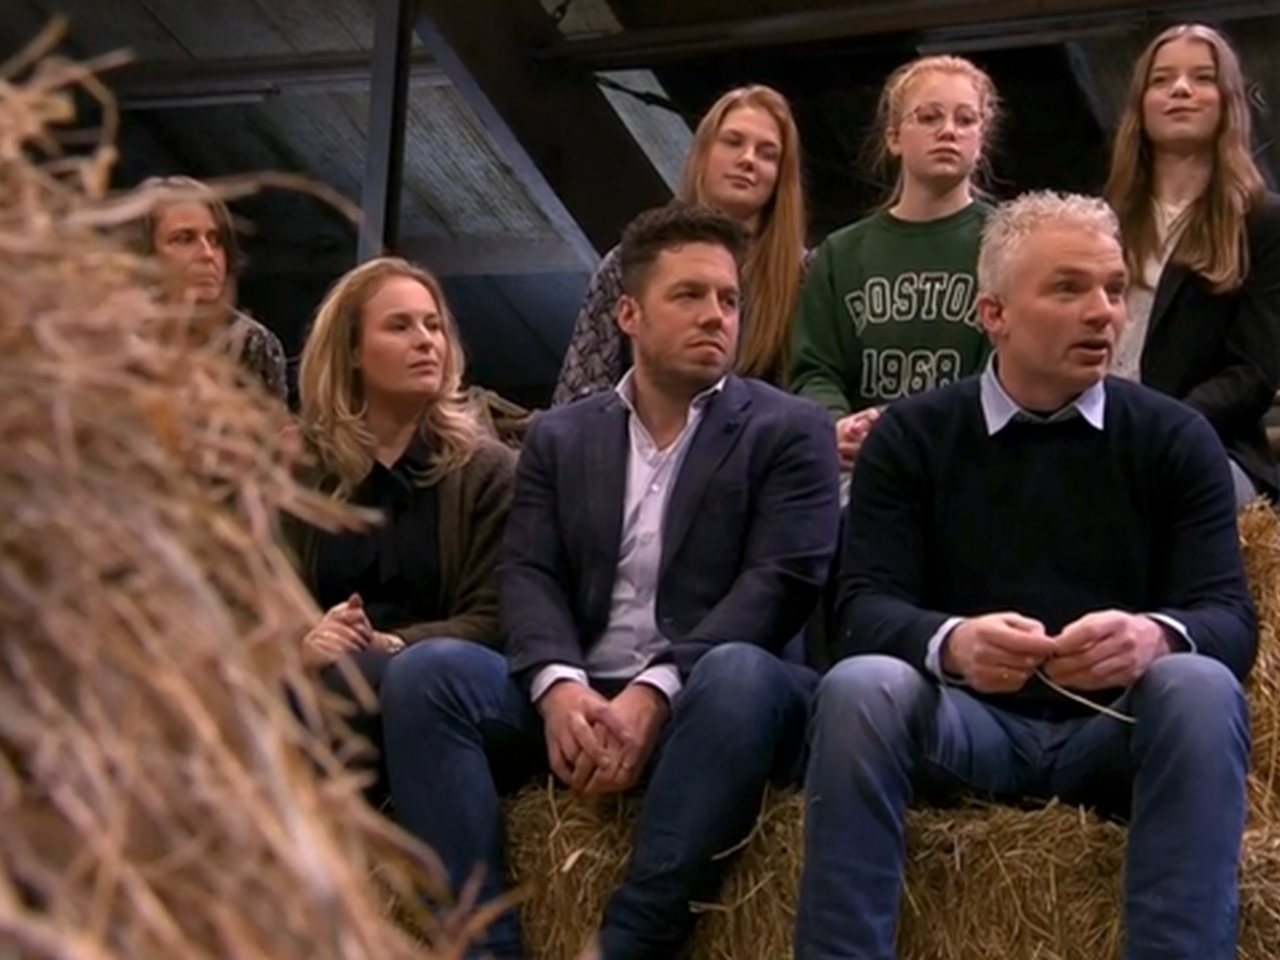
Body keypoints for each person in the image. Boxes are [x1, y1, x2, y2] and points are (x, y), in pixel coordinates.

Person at [794, 192, 1257, 960]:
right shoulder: (913, 436)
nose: (1103, 312)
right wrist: (953, 643)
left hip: (1115, 732)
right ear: (995, 315)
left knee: (1200, 685)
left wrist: (1154, 639)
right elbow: (860, 612)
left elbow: (1230, 620)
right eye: (1069, 288)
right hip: (964, 727)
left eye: (1114, 288)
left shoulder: (1176, 438)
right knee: (859, 686)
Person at [379, 202, 840, 959]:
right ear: (628, 314)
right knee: (425, 676)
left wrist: (654, 692)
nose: (716, 316)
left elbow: (781, 582)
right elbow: (528, 572)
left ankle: (626, 944)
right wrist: (559, 688)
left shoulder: (789, 430)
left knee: (738, 673)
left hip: (715, 705)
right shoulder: (561, 434)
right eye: (689, 295)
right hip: (585, 692)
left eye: (728, 299)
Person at [284, 257, 515, 793]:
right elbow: (255, 600)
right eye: (400, 326)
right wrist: (306, 642)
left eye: (433, 326)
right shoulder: (299, 471)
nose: (426, 341)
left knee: (345, 685)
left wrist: (391, 642)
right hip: (322, 671)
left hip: (440, 680)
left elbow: (495, 617)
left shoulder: (488, 471)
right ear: (351, 351)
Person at [790, 55, 998, 473]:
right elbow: (814, 368)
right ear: (894, 137)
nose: (948, 131)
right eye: (929, 117)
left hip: (967, 464)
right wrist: (836, 423)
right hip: (863, 469)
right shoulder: (842, 253)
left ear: (981, 141)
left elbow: (1013, 368)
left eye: (965, 120)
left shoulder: (1010, 244)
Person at [1105, 23, 1280, 506]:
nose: (1180, 89)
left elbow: (1254, 372)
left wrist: (1162, 426)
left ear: (1228, 102)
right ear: (1141, 103)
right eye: (1161, 80)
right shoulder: (1101, 219)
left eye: (1202, 78)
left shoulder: (1264, 222)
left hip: (1207, 445)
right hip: (1097, 435)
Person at [553, 84, 808, 402]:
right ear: (702, 153)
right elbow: (577, 393)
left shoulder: (806, 276)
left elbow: (809, 395)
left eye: (767, 154)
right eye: (732, 142)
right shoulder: (631, 260)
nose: (747, 160)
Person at [132, 175, 288, 401]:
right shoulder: (110, 341)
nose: (207, 254)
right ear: (142, 254)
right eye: (184, 239)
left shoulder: (250, 343)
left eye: (215, 240)